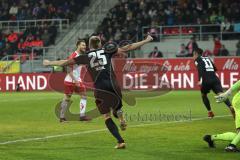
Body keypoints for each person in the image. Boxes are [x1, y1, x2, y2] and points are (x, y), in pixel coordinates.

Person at [43, 35, 153, 149]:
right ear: (100, 44)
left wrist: (49, 63)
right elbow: (128, 47)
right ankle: (120, 117)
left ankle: (120, 141)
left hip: (101, 89)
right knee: (117, 106)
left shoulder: (85, 56)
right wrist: (146, 40)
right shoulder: (107, 51)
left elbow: (64, 63)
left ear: (89, 46)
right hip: (114, 86)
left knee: (106, 115)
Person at [193, 48, 235, 118]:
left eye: (193, 55)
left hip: (206, 80)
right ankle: (230, 106)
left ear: (196, 54)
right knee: (221, 94)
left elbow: (200, 69)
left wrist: (200, 79)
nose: (193, 57)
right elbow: (215, 69)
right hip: (214, 78)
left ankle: (210, 112)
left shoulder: (197, 59)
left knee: (203, 95)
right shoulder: (207, 58)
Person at [204, 80, 240, 152]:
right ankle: (231, 146)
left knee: (238, 134)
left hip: (237, 100)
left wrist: (227, 93)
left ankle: (211, 138)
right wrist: (227, 93)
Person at [59, 39, 90, 122]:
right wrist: (75, 80)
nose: (84, 46)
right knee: (67, 98)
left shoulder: (80, 56)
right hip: (70, 80)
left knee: (84, 96)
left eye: (85, 45)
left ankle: (82, 116)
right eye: (83, 45)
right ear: (78, 46)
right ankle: (62, 118)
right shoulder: (74, 55)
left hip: (77, 80)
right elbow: (68, 68)